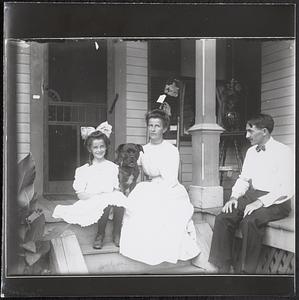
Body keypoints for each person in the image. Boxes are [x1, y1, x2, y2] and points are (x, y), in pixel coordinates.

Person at [209, 113, 294, 273]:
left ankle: (246, 272)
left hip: (276, 201)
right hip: (254, 195)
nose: (247, 135)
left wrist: (260, 202)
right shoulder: (251, 152)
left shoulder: (284, 152)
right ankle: (222, 268)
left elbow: (287, 187)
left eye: (250, 131)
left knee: (250, 221)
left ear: (264, 131)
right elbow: (243, 179)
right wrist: (234, 197)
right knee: (224, 216)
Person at [119, 109, 200, 265]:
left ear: (164, 129)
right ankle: (140, 247)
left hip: (171, 188)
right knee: (137, 200)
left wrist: (154, 190)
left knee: (155, 206)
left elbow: (170, 179)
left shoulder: (170, 150)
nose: (153, 129)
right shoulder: (142, 150)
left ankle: (160, 250)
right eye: (150, 125)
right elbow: (130, 166)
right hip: (150, 186)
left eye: (157, 126)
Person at [52, 121, 127, 249]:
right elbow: (81, 195)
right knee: (105, 200)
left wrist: (110, 195)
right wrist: (98, 197)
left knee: (118, 197)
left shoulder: (112, 167)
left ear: (106, 147)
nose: (99, 150)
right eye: (95, 147)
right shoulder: (84, 170)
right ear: (90, 149)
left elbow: (114, 188)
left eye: (102, 146)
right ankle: (100, 234)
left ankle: (116, 233)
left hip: (109, 200)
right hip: (91, 200)